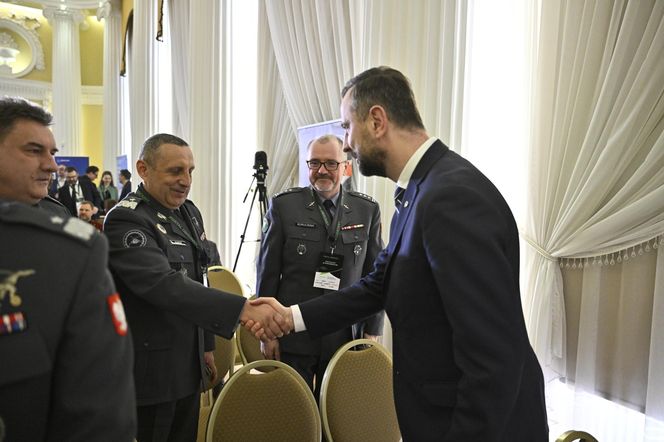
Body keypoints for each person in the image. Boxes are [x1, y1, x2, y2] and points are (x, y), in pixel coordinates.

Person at [251, 67, 549, 441]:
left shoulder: (450, 197)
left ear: (377, 120)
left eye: (347, 126)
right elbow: (378, 285)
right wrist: (290, 317)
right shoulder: (419, 191)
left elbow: (492, 359)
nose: (346, 144)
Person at [103, 133, 287, 442]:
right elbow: (164, 285)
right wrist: (241, 308)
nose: (185, 180)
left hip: (188, 365)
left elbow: (199, 276)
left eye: (190, 171)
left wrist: (206, 348)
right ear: (143, 169)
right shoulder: (126, 220)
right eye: (175, 171)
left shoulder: (189, 212)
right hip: (151, 373)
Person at [0, 96, 136, 440]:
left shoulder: (69, 248)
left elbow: (99, 412)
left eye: (52, 152)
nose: (51, 164)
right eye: (34, 150)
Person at [256, 134, 384, 397]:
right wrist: (267, 333)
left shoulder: (366, 210)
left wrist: (373, 329)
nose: (322, 170)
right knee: (294, 414)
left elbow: (376, 273)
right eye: (314, 163)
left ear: (345, 167)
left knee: (336, 417)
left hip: (344, 334)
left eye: (330, 164)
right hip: (293, 332)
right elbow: (267, 272)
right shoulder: (284, 206)